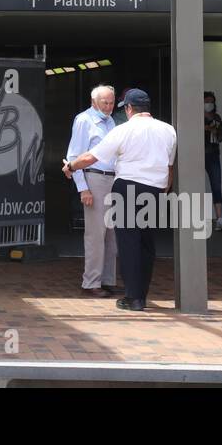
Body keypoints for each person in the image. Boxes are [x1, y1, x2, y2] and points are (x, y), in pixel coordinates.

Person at [64, 89, 176, 312]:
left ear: (129, 108)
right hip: (154, 190)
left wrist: (71, 166)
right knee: (146, 244)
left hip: (128, 188)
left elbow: (91, 157)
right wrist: (163, 190)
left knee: (128, 243)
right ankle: (141, 293)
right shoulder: (169, 130)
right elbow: (170, 167)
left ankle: (134, 298)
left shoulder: (123, 129)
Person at [62, 85, 118, 297]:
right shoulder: (84, 120)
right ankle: (91, 282)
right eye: (105, 102)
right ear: (94, 101)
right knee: (96, 234)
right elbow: (74, 156)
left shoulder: (110, 120)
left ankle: (107, 279)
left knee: (111, 234)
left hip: (112, 178)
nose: (109, 106)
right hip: (94, 178)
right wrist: (83, 188)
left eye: (112, 102)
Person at [204, 91, 222, 231]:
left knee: (216, 185)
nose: (209, 104)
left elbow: (221, 137)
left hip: (213, 154)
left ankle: (219, 218)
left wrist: (215, 131)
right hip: (198, 154)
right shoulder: (196, 116)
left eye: (211, 101)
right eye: (206, 101)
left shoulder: (216, 118)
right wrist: (204, 128)